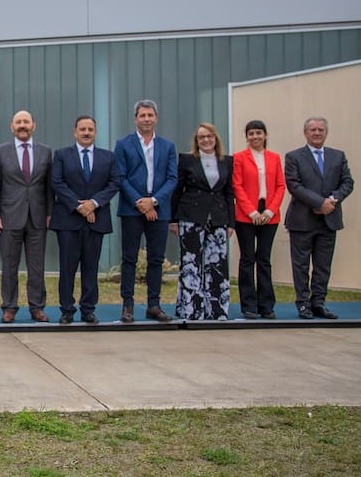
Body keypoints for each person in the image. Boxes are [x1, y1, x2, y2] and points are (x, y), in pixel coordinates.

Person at [49, 115, 120, 324]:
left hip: (96, 220)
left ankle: (88, 309)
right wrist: (80, 206)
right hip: (68, 221)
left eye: (90, 129)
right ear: (75, 132)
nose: (86, 133)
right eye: (82, 129)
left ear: (95, 132)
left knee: (91, 268)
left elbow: (114, 183)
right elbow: (57, 183)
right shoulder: (62, 155)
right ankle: (67, 310)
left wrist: (94, 204)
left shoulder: (108, 157)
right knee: (67, 268)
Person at [113, 99, 178, 323]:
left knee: (156, 260)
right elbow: (120, 177)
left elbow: (172, 178)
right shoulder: (123, 144)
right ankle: (128, 306)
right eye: (142, 115)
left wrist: (154, 201)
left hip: (160, 210)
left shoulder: (168, 146)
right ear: (135, 119)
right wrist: (141, 203)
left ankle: (154, 305)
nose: (147, 119)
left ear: (156, 118)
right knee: (129, 259)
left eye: (150, 115)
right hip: (132, 209)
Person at [284, 116, 354, 320]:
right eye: (313, 130)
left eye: (320, 130)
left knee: (323, 266)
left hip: (329, 219)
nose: (317, 133)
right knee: (301, 266)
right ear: (305, 133)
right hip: (302, 220)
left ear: (326, 132)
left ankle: (319, 303)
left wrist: (331, 200)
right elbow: (294, 185)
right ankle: (303, 304)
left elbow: (347, 182)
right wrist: (318, 203)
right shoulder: (294, 157)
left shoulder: (338, 156)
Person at [0, 110, 52, 323]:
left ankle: (37, 307)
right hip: (9, 217)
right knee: (9, 265)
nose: (22, 125)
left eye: (26, 121)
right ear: (11, 126)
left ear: (33, 125)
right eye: (18, 122)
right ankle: (9, 307)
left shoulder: (45, 152)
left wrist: (50, 213)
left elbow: (48, 187)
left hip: (37, 217)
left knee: (37, 265)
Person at [170, 122, 235, 320]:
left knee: (216, 265)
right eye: (201, 137)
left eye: (209, 136)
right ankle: (191, 310)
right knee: (191, 264)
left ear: (216, 139)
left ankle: (217, 310)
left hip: (218, 218)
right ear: (196, 141)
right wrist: (173, 220)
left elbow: (229, 193)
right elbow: (177, 191)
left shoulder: (227, 161)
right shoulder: (187, 160)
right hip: (191, 217)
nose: (206, 140)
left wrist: (231, 222)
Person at [232, 119, 285, 320]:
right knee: (247, 259)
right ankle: (249, 305)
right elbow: (237, 186)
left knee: (264, 259)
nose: (255, 137)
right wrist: (252, 212)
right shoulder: (239, 158)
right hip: (246, 215)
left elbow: (281, 186)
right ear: (246, 137)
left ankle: (266, 305)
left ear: (265, 135)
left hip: (269, 214)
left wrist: (270, 211)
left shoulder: (274, 157)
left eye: (258, 133)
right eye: (251, 133)